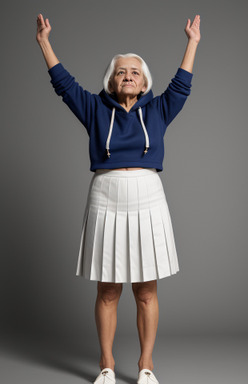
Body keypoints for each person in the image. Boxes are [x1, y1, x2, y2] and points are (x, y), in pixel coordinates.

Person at [36, 13, 201, 384]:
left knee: (146, 290)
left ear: (144, 84)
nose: (128, 75)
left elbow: (182, 86)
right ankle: (106, 366)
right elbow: (63, 84)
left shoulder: (158, 110)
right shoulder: (94, 109)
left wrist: (193, 41)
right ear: (111, 81)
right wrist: (44, 42)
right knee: (108, 289)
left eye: (135, 72)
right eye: (121, 71)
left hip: (147, 197)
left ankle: (146, 367)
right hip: (106, 196)